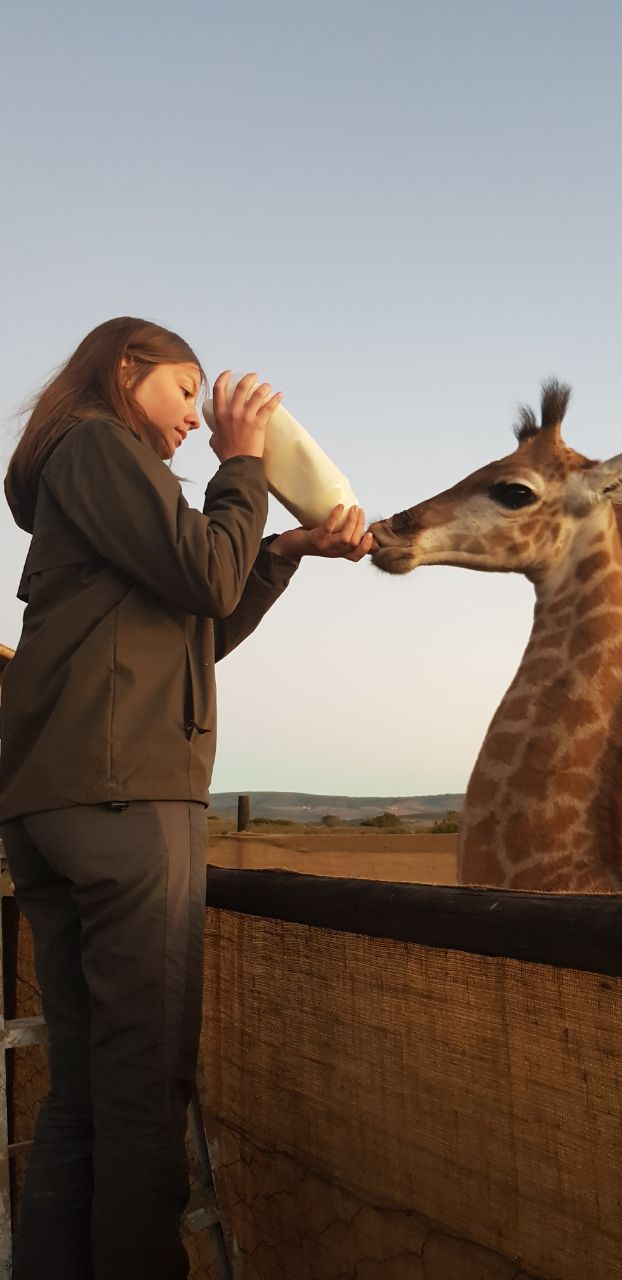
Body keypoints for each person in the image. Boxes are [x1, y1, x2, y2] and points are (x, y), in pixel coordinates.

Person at [0, 316, 372, 1280]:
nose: (195, 419)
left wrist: (281, 549)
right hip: (127, 800)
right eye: (184, 391)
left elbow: (196, 632)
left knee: (84, 1091)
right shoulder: (98, 445)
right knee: (141, 1096)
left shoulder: (88, 484)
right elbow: (206, 575)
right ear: (126, 369)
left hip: (65, 801)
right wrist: (242, 463)